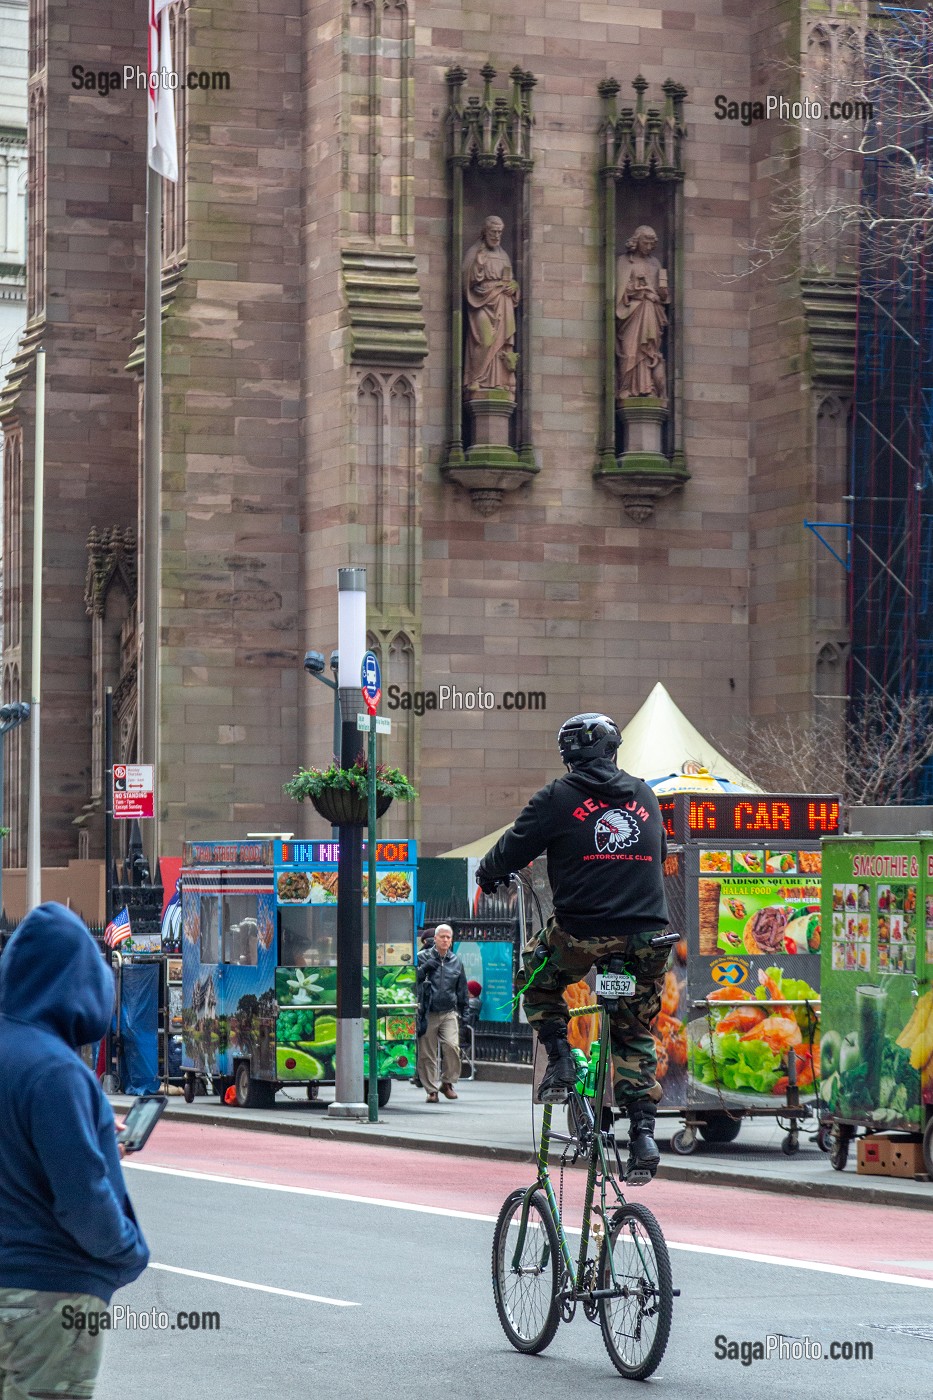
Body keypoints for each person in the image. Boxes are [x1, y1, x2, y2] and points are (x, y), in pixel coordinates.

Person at [476, 713, 670, 1178]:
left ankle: (561, 1062)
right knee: (634, 1028)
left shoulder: (558, 798)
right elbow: (659, 855)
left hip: (584, 933)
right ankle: (642, 1135)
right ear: (613, 752)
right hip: (649, 935)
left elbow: (513, 848)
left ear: (568, 757)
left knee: (534, 980)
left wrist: (487, 873)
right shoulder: (645, 794)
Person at [0, 903, 150, 1397]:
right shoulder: (57, 1071)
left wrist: (97, 1129)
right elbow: (82, 1195)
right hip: (47, 1292)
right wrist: (126, 1252)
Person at [462, 215, 521, 398]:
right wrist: (478, 264)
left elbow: (510, 280)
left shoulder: (503, 256)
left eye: (499, 232)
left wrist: (515, 287)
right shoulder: (475, 252)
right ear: (485, 232)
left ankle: (499, 381)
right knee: (485, 341)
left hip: (503, 303)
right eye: (493, 232)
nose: (496, 236)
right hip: (482, 301)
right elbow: (467, 281)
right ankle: (475, 378)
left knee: (501, 345)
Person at [416, 923, 468, 1104]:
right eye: (442, 937)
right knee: (426, 1053)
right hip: (428, 1011)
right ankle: (431, 1090)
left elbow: (462, 988)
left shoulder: (456, 961)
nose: (445, 940)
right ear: (435, 939)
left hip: (448, 1011)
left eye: (448, 937)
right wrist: (424, 969)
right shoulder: (422, 957)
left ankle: (447, 1082)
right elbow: (411, 979)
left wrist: (465, 1011)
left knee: (452, 1046)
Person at [615, 225, 669, 402]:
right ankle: (627, 387)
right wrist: (642, 292)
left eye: (652, 244)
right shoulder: (624, 261)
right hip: (631, 313)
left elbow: (663, 297)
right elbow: (620, 292)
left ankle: (649, 387)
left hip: (651, 312)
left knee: (649, 352)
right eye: (645, 242)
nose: (648, 247)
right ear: (636, 241)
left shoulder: (655, 264)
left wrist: (662, 293)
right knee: (630, 351)